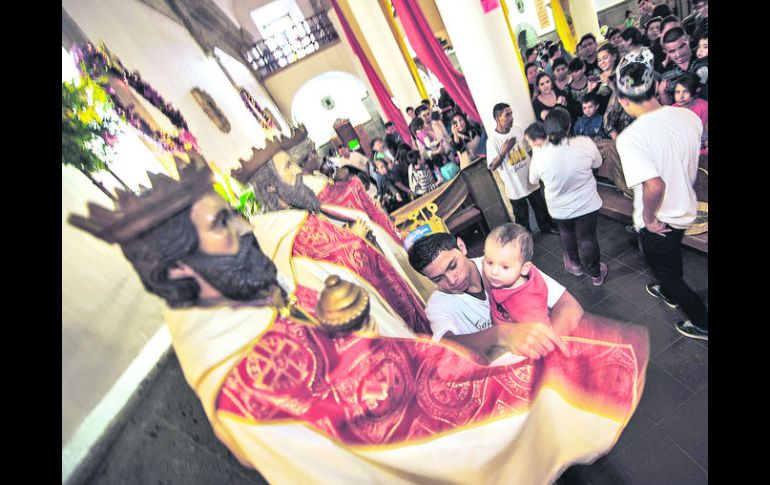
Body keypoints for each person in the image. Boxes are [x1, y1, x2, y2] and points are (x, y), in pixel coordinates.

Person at [70, 159, 648, 484]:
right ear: (180, 267)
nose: (246, 230)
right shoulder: (254, 373)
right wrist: (527, 374)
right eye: (224, 224)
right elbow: (398, 409)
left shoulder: (237, 313)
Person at [614, 56, 709, 340]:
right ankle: (667, 288)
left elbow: (654, 186)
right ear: (659, 84)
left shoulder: (631, 138)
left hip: (661, 219)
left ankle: (701, 321)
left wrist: (648, 218)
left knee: (666, 271)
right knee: (669, 258)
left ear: (622, 101)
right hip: (685, 206)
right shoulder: (688, 116)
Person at [529, 107, 608, 286]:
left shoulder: (540, 153)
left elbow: (533, 180)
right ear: (569, 125)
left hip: (559, 207)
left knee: (566, 233)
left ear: (546, 129)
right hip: (587, 203)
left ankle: (575, 265)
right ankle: (595, 274)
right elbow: (598, 162)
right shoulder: (584, 142)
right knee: (587, 238)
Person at [486, 102, 558, 234]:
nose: (511, 117)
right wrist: (504, 151)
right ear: (498, 119)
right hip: (514, 184)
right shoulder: (492, 140)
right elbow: (492, 166)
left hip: (529, 176)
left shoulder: (517, 130)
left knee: (540, 205)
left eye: (511, 114)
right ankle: (525, 238)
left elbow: (528, 150)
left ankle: (547, 227)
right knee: (521, 215)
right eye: (507, 115)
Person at [483, 224, 552, 326]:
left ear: (524, 268)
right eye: (489, 262)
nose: (493, 271)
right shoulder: (506, 278)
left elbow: (543, 334)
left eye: (505, 267)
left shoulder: (526, 306)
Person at [658, 27, 708, 104]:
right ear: (665, 52)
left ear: (688, 39)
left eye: (681, 47)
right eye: (672, 51)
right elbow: (669, 105)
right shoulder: (668, 76)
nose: (678, 54)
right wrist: (663, 93)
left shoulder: (704, 56)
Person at [672, 73, 708, 154]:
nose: (680, 97)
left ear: (696, 91)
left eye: (686, 92)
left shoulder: (705, 107)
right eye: (677, 92)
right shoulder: (672, 110)